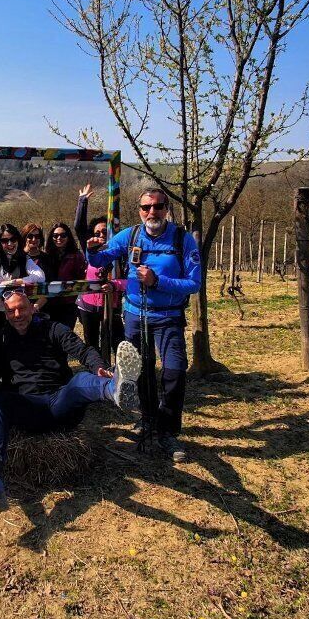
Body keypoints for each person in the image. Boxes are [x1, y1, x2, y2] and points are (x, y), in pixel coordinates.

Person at [0, 291, 139, 509]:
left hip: (60, 403)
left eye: (22, 308)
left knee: (80, 380)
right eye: (11, 311)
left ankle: (114, 389)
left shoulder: (53, 328)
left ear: (32, 307)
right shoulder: (3, 337)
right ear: (5, 314)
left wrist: (99, 367)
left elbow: (82, 351)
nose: (17, 314)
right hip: (29, 408)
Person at [84, 187, 201, 461]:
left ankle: (168, 431)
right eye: (146, 207)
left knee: (174, 372)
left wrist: (157, 281)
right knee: (142, 371)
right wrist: (91, 251)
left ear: (167, 209)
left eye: (158, 206)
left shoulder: (182, 239)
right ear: (139, 210)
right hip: (136, 316)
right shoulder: (131, 235)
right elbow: (101, 259)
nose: (152, 212)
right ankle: (148, 420)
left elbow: (194, 283)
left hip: (169, 317)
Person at [74, 184, 123, 357]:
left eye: (104, 231)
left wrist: (115, 285)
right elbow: (79, 227)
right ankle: (96, 369)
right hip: (88, 306)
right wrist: (82, 201)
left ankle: (118, 370)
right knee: (92, 344)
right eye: (97, 232)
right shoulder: (89, 248)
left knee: (117, 342)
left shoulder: (118, 250)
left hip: (112, 304)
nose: (101, 235)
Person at [42, 220, 86, 330]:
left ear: (68, 237)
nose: (59, 238)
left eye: (63, 235)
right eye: (55, 235)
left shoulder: (77, 256)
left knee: (65, 333)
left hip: (68, 303)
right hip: (49, 302)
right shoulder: (46, 256)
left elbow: (82, 278)